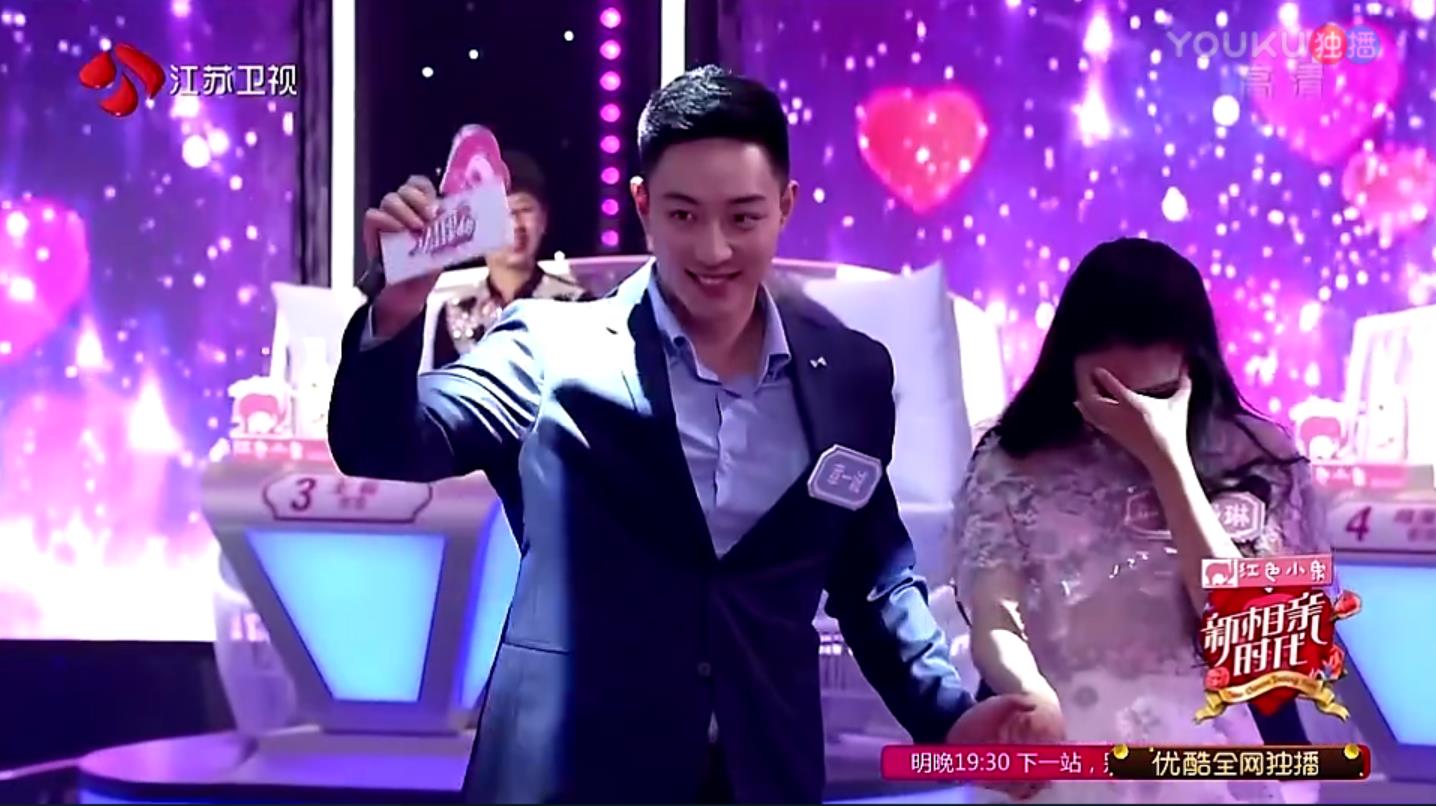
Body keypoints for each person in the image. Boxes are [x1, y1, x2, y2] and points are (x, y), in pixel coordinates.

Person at [330, 66, 1056, 803]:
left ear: (785, 206)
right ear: (643, 207)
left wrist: (949, 715)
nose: (713, 250)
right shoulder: (548, 348)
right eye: (684, 215)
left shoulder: (852, 376)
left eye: (743, 218)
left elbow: (872, 579)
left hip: (762, 775)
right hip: (571, 775)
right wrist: (396, 310)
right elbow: (385, 443)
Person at [952, 237, 1328, 804]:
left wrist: (1166, 457)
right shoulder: (1012, 460)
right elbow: (994, 617)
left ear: (1192, 365)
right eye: (1108, 393)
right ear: (1068, 366)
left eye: (1153, 394)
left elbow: (1249, 636)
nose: (1129, 414)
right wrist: (1030, 696)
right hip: (1063, 749)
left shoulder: (1256, 459)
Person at [429, 150, 587, 367]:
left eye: (524, 209)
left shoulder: (578, 306)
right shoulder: (454, 314)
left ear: (544, 219)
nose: (514, 225)